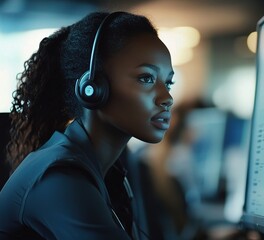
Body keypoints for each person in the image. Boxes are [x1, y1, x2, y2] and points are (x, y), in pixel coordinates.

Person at [0, 11, 174, 240]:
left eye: (168, 82)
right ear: (93, 87)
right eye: (146, 78)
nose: (167, 97)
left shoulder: (109, 175)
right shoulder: (59, 177)